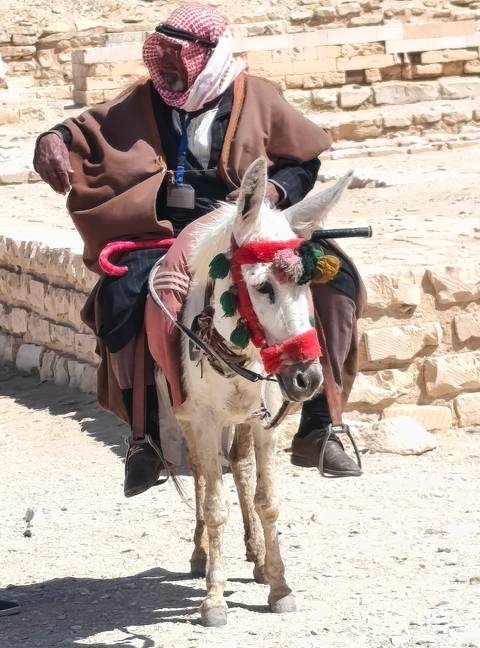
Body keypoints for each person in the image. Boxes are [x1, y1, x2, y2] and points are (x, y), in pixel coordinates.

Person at [33, 4, 365, 498]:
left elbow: (303, 161)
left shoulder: (258, 96)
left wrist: (272, 194)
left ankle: (323, 424)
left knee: (334, 280)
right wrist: (50, 140)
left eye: (175, 56)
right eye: (158, 54)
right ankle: (144, 438)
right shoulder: (145, 99)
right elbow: (83, 129)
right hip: (168, 229)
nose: (162, 66)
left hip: (246, 222)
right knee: (120, 297)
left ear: (207, 56)